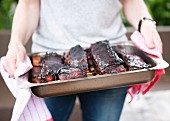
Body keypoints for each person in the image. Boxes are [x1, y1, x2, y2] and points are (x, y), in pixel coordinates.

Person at [3, 0, 162, 121]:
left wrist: (145, 24)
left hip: (111, 64)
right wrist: (16, 42)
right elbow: (29, 4)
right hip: (48, 66)